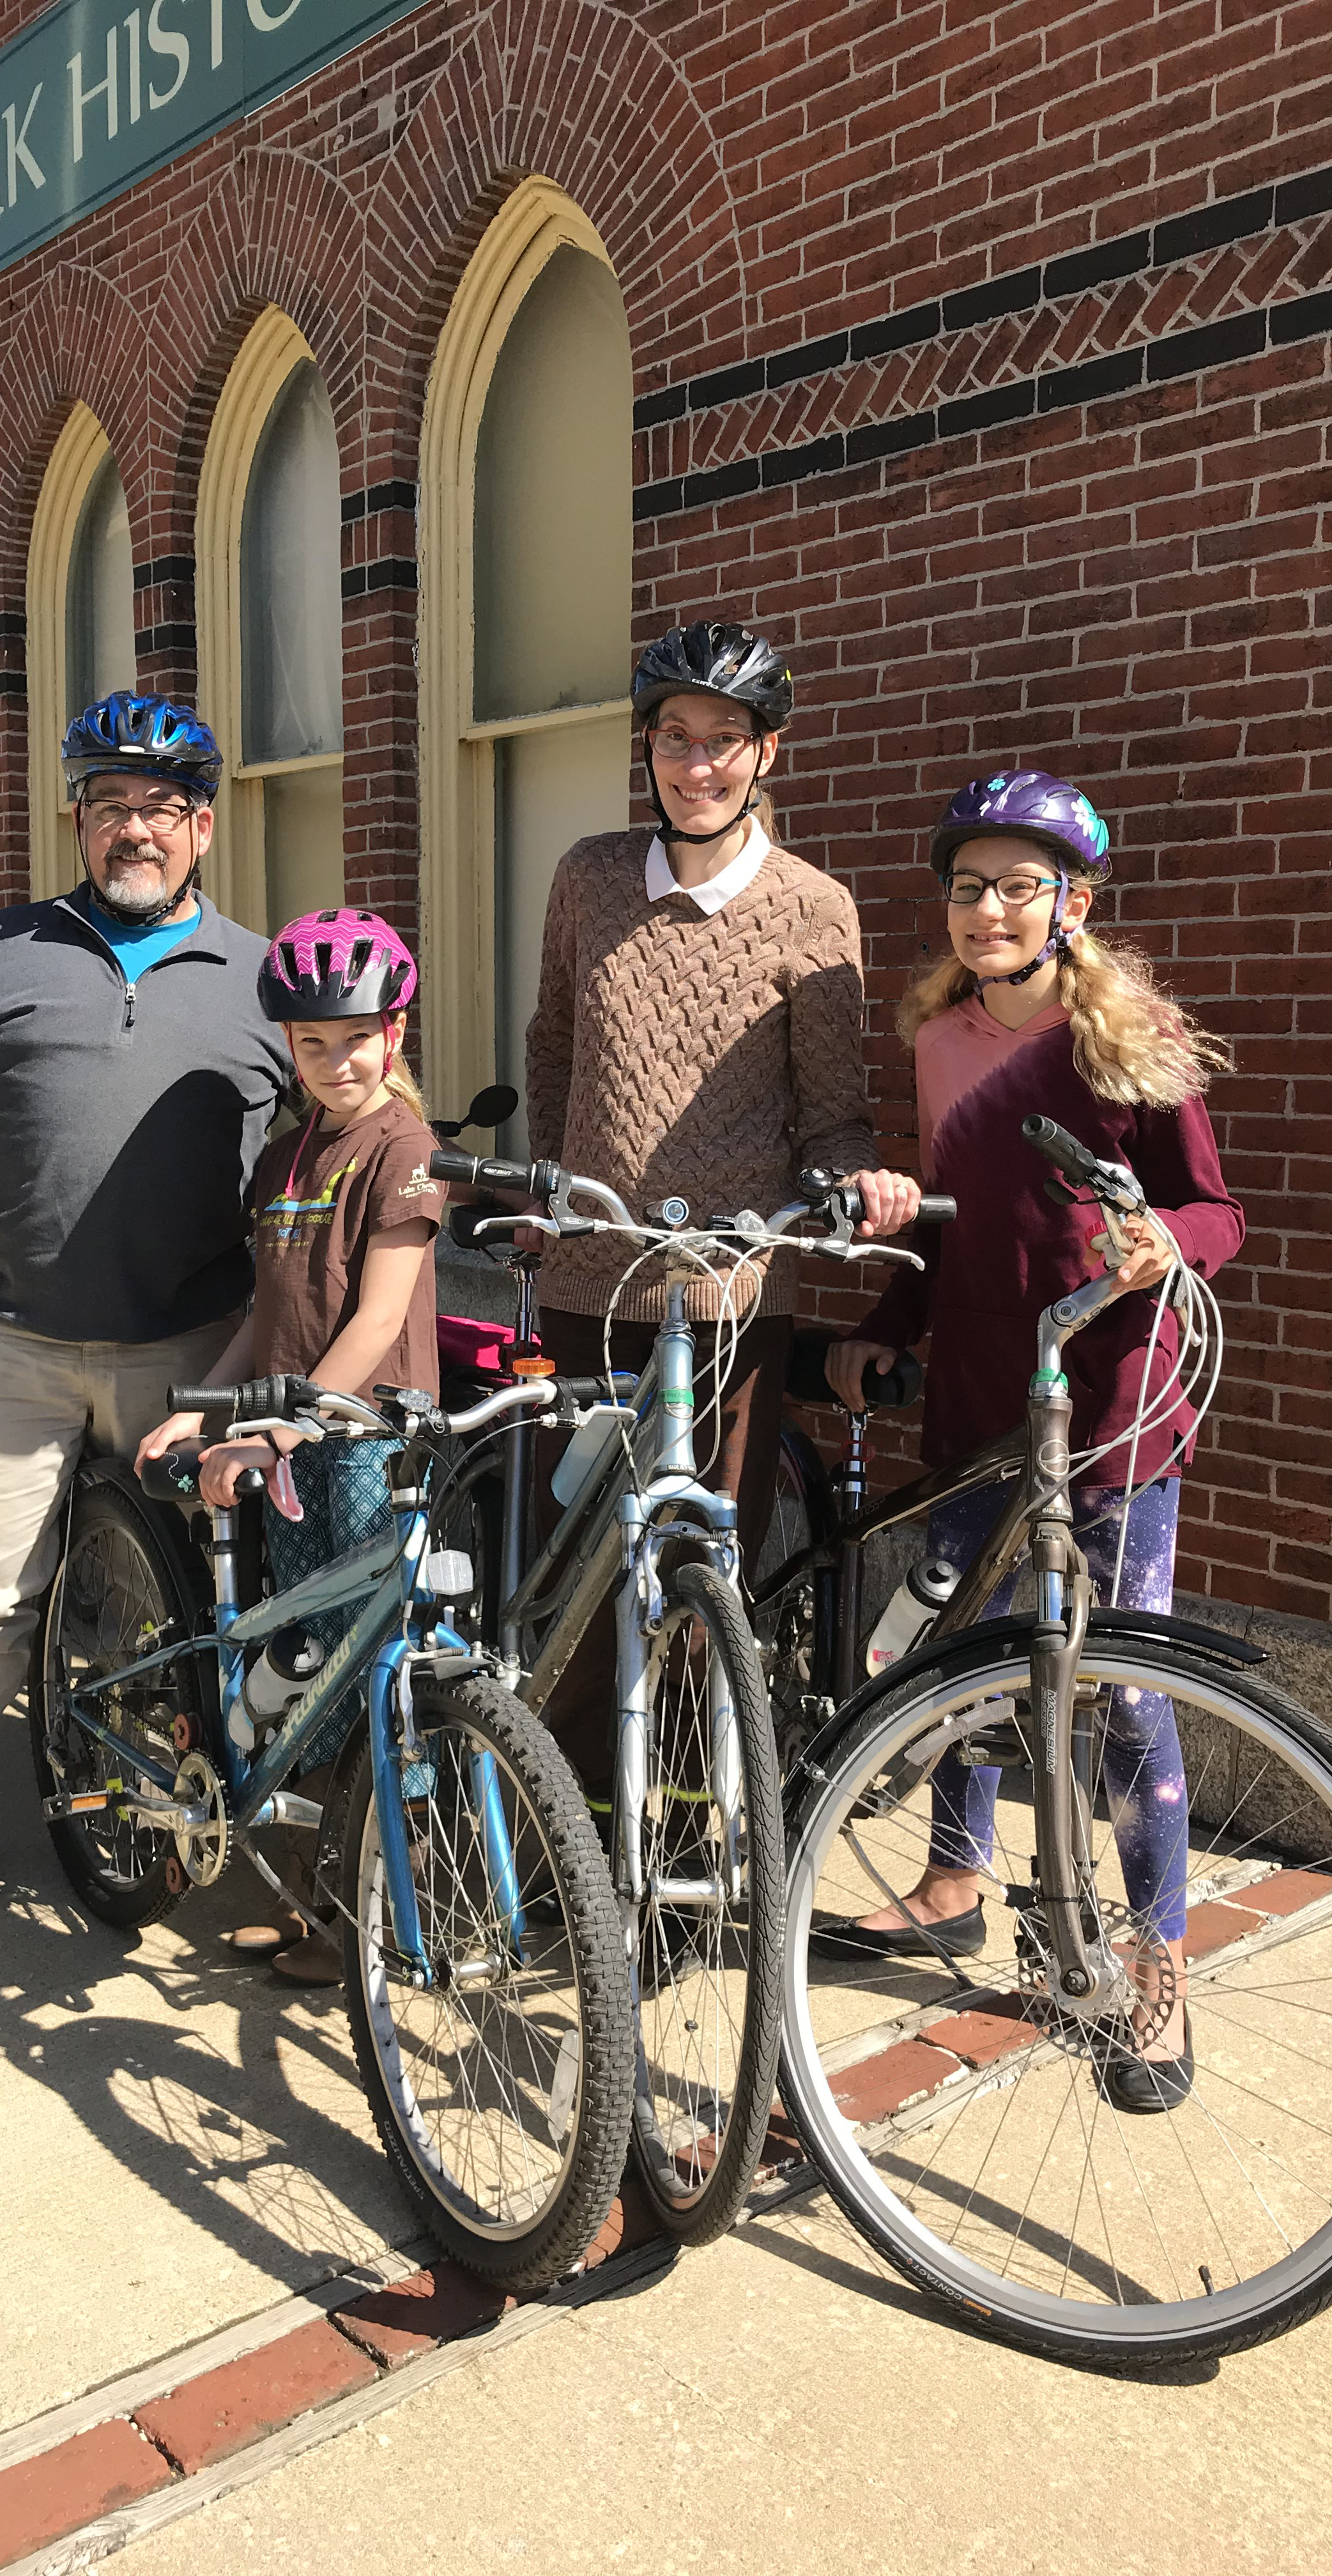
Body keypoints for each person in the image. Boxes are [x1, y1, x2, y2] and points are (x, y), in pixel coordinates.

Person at [821, 769, 1244, 2112]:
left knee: (1121, 1685)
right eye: (967, 885)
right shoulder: (942, 1039)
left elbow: (1217, 1213)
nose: (988, 909)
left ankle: (1157, 1961)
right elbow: (954, 1224)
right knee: (964, 1651)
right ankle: (955, 1877)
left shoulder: (1132, 1035)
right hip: (977, 1398)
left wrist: (1157, 1242)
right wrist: (885, 1319)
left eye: (1018, 886)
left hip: (1115, 1405)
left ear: (1073, 903)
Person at [0, 691, 295, 1940]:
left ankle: (177, 1801)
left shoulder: (266, 978)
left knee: (204, 1597)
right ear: (79, 820)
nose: (132, 831)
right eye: (108, 807)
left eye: (158, 808)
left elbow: (321, 1155)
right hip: (10, 1333)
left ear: (202, 827)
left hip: (196, 1341)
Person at [523, 618, 925, 1785]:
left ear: (769, 754)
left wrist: (852, 1183)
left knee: (706, 1581)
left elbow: (831, 1115)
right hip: (592, 1279)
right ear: (647, 749)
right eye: (676, 739)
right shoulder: (589, 879)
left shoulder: (813, 906)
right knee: (587, 1572)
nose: (699, 766)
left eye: (727, 742)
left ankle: (694, 1837)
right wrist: (549, 1189)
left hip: (734, 1289)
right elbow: (555, 1046)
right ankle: (581, 1832)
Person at [137, 909, 446, 1984]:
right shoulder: (287, 1151)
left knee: (363, 1679)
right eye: (310, 1043)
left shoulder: (405, 1149)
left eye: (354, 1037)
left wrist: (278, 1426)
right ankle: (322, 1904)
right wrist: (206, 1405)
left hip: (361, 1445)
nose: (333, 1061)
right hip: (288, 1444)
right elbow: (267, 1322)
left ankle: (370, 1919)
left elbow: (374, 1321)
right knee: (304, 1670)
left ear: (395, 1033)